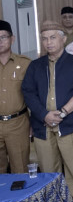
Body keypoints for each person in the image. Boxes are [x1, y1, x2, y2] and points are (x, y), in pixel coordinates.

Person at [21, 20, 73, 202]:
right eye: (44, 38)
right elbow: (28, 92)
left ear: (64, 38)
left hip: (70, 123)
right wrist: (44, 114)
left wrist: (62, 113)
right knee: (49, 167)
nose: (48, 42)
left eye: (53, 37)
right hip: (43, 125)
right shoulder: (35, 66)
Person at [0, 20, 31, 173]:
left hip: (18, 123)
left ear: (12, 39)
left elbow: (34, 95)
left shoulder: (25, 64)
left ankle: (21, 198)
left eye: (3, 37)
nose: (0, 41)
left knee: (20, 167)